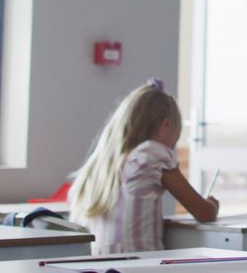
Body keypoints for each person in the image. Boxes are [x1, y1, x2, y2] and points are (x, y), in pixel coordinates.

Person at [69, 79, 218, 254]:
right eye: (175, 139)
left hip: (100, 265)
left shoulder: (101, 164)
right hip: (139, 263)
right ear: (165, 125)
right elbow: (203, 212)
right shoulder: (150, 154)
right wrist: (212, 203)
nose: (171, 149)